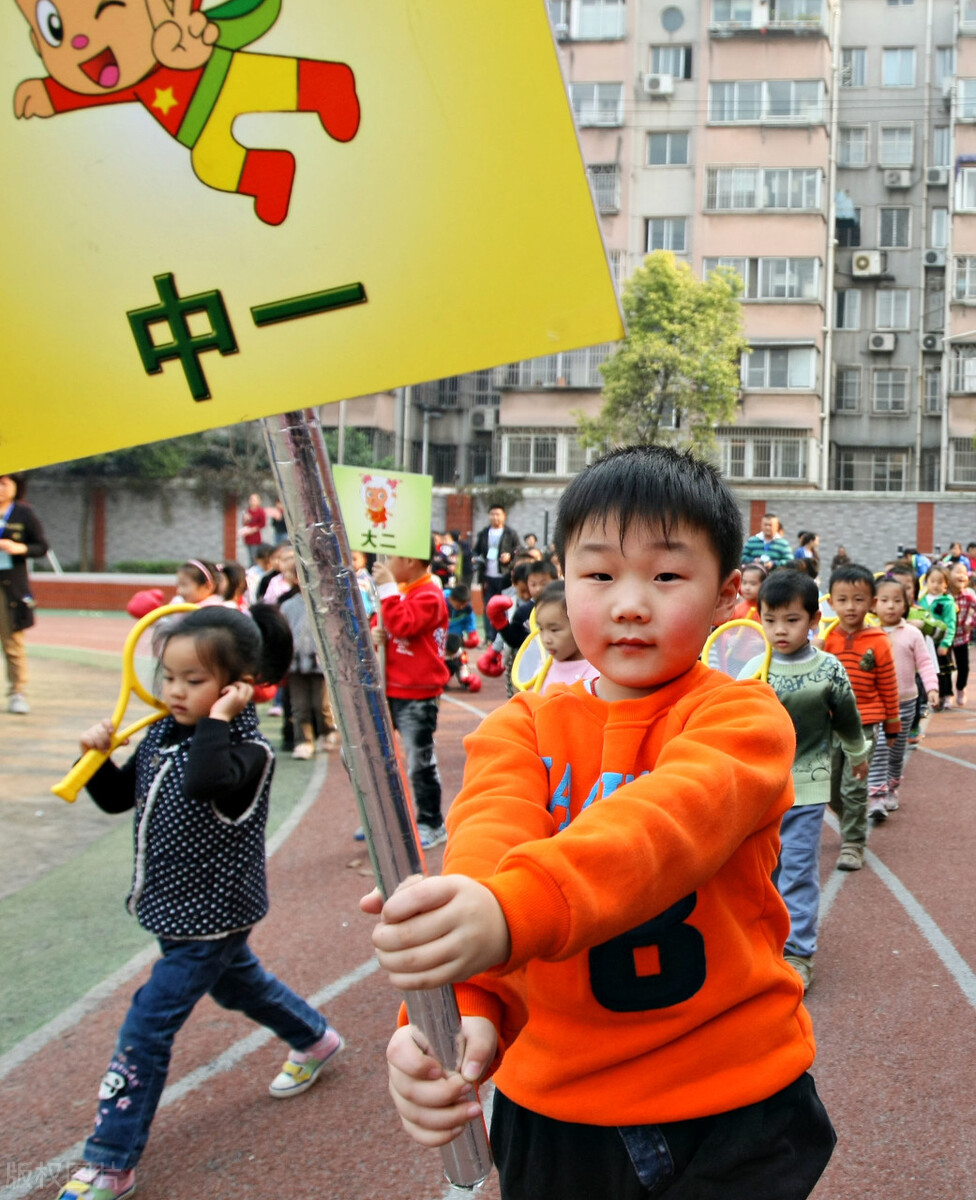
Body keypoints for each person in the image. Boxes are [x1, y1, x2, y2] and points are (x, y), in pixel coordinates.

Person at [363, 445, 835, 1200]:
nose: (629, 603)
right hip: (553, 1109)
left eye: (667, 575)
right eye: (600, 573)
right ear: (562, 579)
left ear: (727, 597)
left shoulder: (742, 716)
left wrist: (509, 911)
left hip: (732, 1100)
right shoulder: (519, 727)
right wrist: (460, 1003)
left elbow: (668, 822)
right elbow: (485, 848)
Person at [56, 606, 344, 1200]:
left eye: (194, 681)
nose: (174, 692)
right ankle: (316, 1037)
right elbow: (117, 801)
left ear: (236, 687)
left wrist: (219, 720)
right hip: (171, 908)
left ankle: (111, 1159)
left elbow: (203, 783)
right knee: (239, 986)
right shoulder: (163, 734)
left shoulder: (247, 754)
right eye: (169, 678)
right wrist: (98, 760)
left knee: (147, 1024)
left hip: (214, 916)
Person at [758, 571, 868, 992]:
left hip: (807, 787)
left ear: (814, 620)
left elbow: (847, 719)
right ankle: (766, 941)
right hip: (762, 792)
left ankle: (799, 952)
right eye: (770, 620)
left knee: (799, 870)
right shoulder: (754, 668)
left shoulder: (829, 669)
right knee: (766, 870)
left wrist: (857, 754)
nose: (779, 630)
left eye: (791, 620)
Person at [822, 564, 900, 872]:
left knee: (853, 786)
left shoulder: (879, 640)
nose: (850, 607)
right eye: (842, 599)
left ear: (871, 603)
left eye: (858, 599)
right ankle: (851, 818)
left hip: (864, 724)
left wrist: (893, 726)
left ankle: (853, 842)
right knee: (828, 786)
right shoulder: (826, 640)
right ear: (831, 602)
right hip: (829, 724)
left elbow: (889, 686)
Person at [372, 546, 450, 849]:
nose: (385, 564)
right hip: (390, 688)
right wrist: (378, 635)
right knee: (373, 756)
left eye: (390, 557)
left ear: (409, 559)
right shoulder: (402, 592)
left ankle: (431, 822)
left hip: (417, 693)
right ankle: (387, 819)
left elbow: (404, 623)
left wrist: (389, 588)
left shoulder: (429, 594)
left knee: (419, 761)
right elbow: (390, 626)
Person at [869, 576, 939, 818]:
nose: (890, 606)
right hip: (877, 702)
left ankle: (892, 788)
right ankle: (877, 796)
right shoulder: (868, 633)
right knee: (878, 748)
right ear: (873, 604)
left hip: (906, 701)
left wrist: (932, 688)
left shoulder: (912, 634)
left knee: (896, 751)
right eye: (884, 600)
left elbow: (925, 663)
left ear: (906, 604)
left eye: (897, 600)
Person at [277, 558, 340, 759]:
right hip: (295, 664)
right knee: (299, 707)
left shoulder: (327, 604)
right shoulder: (287, 605)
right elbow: (283, 634)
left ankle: (327, 731)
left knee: (321, 705)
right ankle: (304, 741)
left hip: (320, 665)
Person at [0, 472, 48, 715]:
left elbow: (42, 546)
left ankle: (17, 692)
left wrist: (20, 548)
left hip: (11, 588)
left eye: (4, 483)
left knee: (13, 643)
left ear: (15, 487)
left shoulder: (23, 514)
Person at [532, 579, 598, 692]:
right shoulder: (544, 666)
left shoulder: (598, 674)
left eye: (554, 630)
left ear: (580, 624)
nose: (545, 639)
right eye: (541, 629)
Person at [473, 505, 520, 644]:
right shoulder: (483, 533)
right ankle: (489, 637)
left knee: (504, 607)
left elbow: (518, 550)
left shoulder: (510, 533)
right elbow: (476, 551)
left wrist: (510, 557)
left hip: (504, 576)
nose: (495, 517)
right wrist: (475, 558)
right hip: (487, 575)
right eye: (492, 514)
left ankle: (502, 639)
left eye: (498, 514)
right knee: (488, 606)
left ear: (504, 516)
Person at [917, 562, 956, 710]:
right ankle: (932, 695)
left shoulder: (947, 602)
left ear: (946, 584)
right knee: (929, 670)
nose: (935, 585)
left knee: (943, 671)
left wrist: (945, 643)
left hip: (940, 642)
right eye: (932, 581)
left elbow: (951, 624)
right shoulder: (922, 600)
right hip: (926, 642)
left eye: (940, 582)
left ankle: (946, 695)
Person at [949, 561, 976, 707]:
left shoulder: (969, 595)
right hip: (944, 638)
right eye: (958, 572)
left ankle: (960, 688)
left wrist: (971, 623)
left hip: (961, 638)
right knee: (944, 668)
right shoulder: (944, 594)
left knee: (963, 666)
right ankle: (946, 694)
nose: (962, 576)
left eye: (965, 573)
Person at [238, 493, 267, 565]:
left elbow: (263, 524)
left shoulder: (260, 511)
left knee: (254, 556)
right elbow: (244, 523)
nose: (252, 501)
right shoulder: (247, 511)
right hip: (248, 537)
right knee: (250, 556)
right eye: (251, 499)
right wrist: (245, 520)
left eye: (254, 500)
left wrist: (253, 529)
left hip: (255, 537)